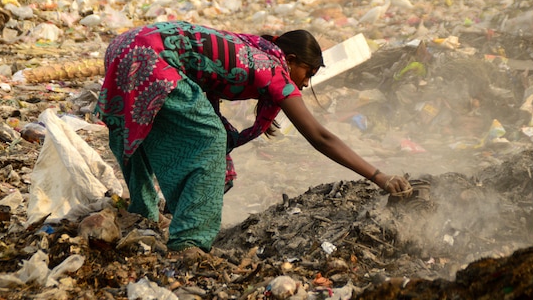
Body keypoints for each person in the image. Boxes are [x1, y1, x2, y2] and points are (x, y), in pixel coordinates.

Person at [95, 20, 412, 258]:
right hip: (149, 56)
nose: (304, 84)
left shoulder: (255, 48)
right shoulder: (274, 70)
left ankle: (143, 216)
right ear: (290, 59)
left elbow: (201, 71)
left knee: (148, 129)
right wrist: (378, 176)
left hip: (124, 45)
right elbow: (321, 136)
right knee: (210, 140)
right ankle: (188, 242)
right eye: (308, 73)